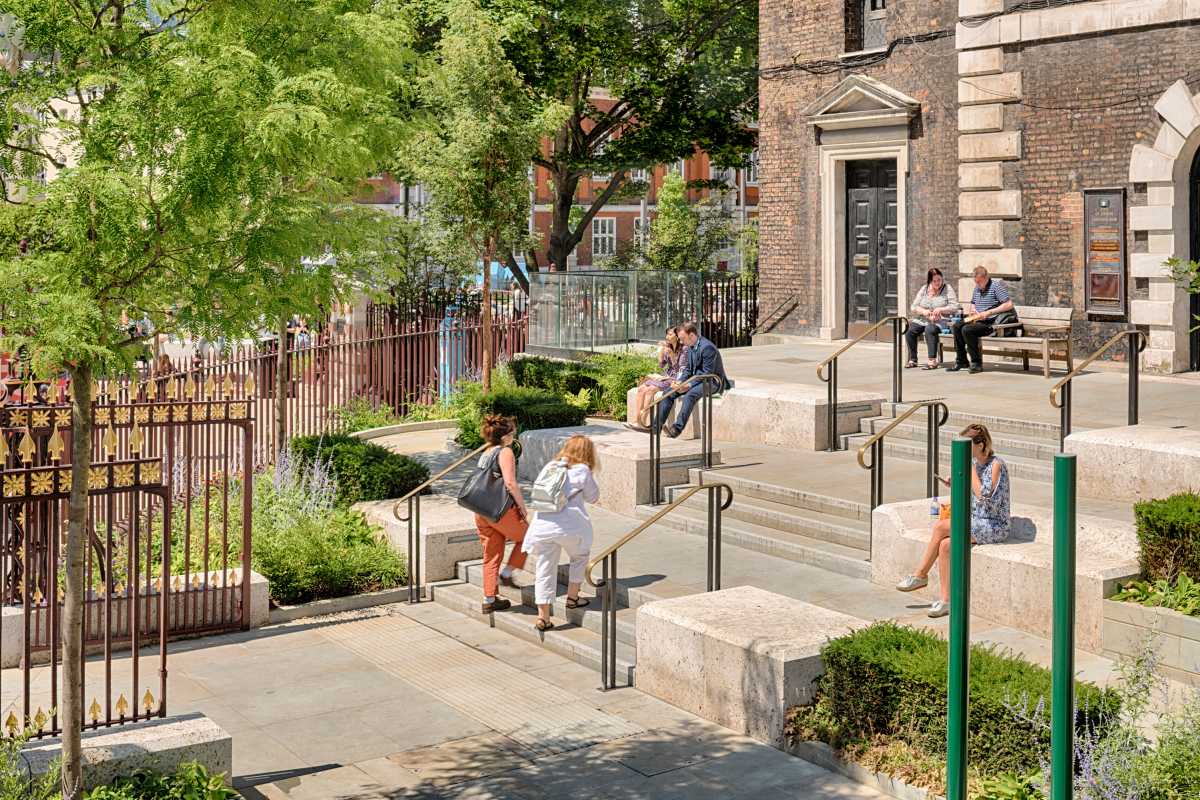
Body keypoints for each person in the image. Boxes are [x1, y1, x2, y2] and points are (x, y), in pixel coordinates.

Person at [894, 424, 1011, 618]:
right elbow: (973, 496)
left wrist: (969, 472)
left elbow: (985, 498)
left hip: (993, 524)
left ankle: (920, 575)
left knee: (940, 527)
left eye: (968, 447)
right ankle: (946, 600)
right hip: (976, 520)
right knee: (946, 546)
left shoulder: (996, 464)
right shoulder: (975, 465)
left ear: (981, 445)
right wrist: (957, 483)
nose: (966, 452)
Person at [522, 435, 601, 632]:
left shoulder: (551, 466)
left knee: (545, 568)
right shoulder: (583, 471)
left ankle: (543, 617)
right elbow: (594, 497)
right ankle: (573, 598)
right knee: (580, 556)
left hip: (544, 525)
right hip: (571, 526)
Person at [473, 414, 530, 613]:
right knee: (529, 537)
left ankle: (489, 598)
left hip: (481, 510)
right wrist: (522, 507)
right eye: (513, 431)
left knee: (491, 553)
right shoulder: (505, 452)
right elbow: (510, 483)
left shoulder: (486, 451)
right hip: (500, 511)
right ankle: (507, 573)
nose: (514, 435)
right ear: (506, 436)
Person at [659, 321, 731, 439]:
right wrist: (680, 382)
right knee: (668, 392)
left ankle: (676, 429)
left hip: (712, 381)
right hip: (696, 379)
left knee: (691, 395)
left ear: (691, 335)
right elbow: (688, 369)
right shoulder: (690, 346)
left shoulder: (707, 347)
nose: (681, 342)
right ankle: (656, 426)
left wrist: (689, 385)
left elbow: (706, 374)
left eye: (683, 339)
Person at [947, 266, 1015, 374]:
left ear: (986, 278)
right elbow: (973, 303)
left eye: (980, 282)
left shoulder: (996, 286)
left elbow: (1009, 304)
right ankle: (961, 360)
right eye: (976, 282)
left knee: (967, 330)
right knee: (956, 326)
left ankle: (976, 363)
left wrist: (989, 312)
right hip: (977, 319)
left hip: (991, 322)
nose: (978, 284)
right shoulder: (977, 288)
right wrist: (973, 311)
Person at [626, 327, 686, 431]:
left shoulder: (683, 349)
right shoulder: (668, 347)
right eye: (667, 334)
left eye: (670, 334)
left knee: (650, 390)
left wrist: (672, 356)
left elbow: (680, 370)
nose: (668, 337)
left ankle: (643, 422)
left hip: (675, 378)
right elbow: (662, 366)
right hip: (666, 376)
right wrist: (661, 353)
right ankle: (637, 421)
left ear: (677, 336)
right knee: (641, 389)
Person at [905, 268, 958, 370]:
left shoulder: (947, 288)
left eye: (939, 280)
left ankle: (932, 360)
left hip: (941, 321)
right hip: (924, 319)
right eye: (935, 281)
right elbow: (914, 306)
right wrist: (924, 312)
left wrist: (941, 309)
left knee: (930, 329)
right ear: (930, 281)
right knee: (910, 331)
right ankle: (913, 359)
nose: (938, 283)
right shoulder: (924, 289)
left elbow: (955, 307)